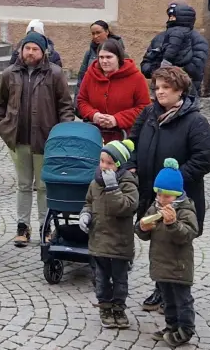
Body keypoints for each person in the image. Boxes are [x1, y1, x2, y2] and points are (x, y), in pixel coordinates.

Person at [127, 66, 210, 313]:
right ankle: (161, 288)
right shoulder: (148, 113)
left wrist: (173, 181)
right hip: (151, 194)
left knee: (176, 244)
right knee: (158, 242)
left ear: (180, 90)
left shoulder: (195, 121)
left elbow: (204, 158)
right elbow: (132, 143)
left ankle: (177, 295)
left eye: (166, 87)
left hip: (181, 198)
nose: (160, 92)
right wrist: (132, 165)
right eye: (157, 87)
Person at [0, 32, 75, 247]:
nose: (30, 52)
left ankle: (45, 225)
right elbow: (0, 105)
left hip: (46, 140)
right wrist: (5, 128)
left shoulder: (55, 74)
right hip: (19, 139)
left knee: (43, 186)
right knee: (23, 185)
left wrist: (62, 134)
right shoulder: (9, 74)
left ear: (43, 52)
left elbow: (66, 107)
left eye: (35, 49)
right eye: (27, 48)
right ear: (21, 49)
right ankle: (23, 226)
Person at [135, 158, 199, 348]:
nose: (162, 200)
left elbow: (187, 234)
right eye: (160, 195)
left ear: (177, 195)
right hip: (161, 264)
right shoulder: (155, 207)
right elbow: (142, 231)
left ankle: (186, 329)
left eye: (167, 196)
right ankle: (171, 326)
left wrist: (173, 224)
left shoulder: (186, 211)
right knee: (167, 299)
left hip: (179, 266)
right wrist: (143, 227)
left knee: (182, 300)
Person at [78, 139, 138, 330]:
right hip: (99, 241)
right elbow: (88, 202)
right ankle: (104, 306)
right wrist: (85, 214)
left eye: (109, 163)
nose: (104, 166)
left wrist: (113, 188)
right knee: (101, 279)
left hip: (120, 243)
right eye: (102, 161)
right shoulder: (95, 183)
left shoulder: (128, 183)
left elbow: (126, 207)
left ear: (119, 165)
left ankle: (119, 308)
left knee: (120, 279)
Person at [76, 39, 150, 144]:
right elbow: (82, 100)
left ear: (119, 57)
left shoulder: (136, 78)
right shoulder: (90, 75)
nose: (104, 61)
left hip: (126, 137)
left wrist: (117, 119)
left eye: (109, 57)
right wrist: (94, 115)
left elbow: (144, 107)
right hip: (95, 136)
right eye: (101, 57)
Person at [140, 2, 209, 91]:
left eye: (173, 16)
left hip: (186, 92)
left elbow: (196, 68)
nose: (170, 19)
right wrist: (158, 70)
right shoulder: (159, 38)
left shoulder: (198, 40)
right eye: (170, 16)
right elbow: (146, 65)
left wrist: (173, 73)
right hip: (160, 90)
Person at [77, 20, 123, 94]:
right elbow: (81, 78)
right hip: (93, 93)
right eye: (93, 33)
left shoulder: (120, 52)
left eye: (98, 33)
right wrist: (78, 100)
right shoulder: (89, 53)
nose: (95, 36)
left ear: (107, 32)